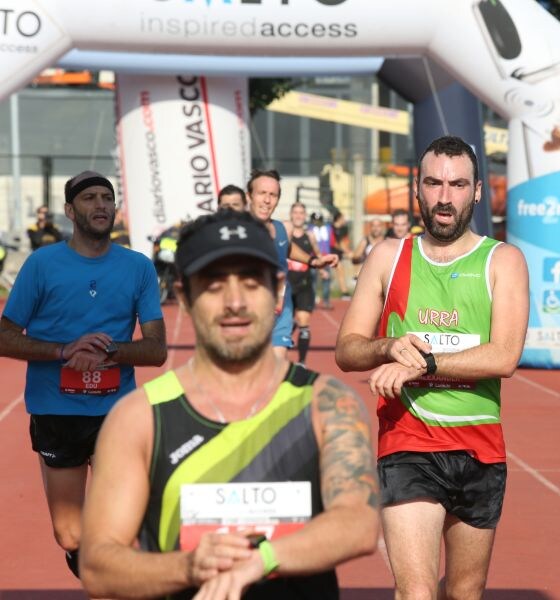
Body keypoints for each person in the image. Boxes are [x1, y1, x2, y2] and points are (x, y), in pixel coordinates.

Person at [79, 210, 379, 599]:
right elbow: (99, 565)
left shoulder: (325, 403)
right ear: (184, 296)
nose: (235, 302)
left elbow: (358, 523)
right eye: (215, 285)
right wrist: (189, 566)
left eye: (252, 283)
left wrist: (261, 560)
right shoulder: (140, 418)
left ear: (279, 290)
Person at [335, 135, 529, 599]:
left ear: (478, 190)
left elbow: (504, 356)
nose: (445, 197)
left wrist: (422, 363)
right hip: (407, 441)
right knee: (418, 591)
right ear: (417, 190)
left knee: (464, 591)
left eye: (458, 184)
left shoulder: (503, 260)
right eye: (434, 183)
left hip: (480, 444)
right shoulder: (388, 256)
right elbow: (347, 349)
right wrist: (388, 347)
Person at [0, 170, 167, 578]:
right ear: (70, 210)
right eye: (89, 198)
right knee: (71, 535)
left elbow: (157, 349)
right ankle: (99, 574)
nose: (101, 205)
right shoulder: (42, 265)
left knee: (129, 527)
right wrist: (64, 350)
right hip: (57, 413)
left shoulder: (138, 267)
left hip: (117, 414)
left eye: (106, 198)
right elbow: (4, 336)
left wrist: (108, 351)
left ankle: (120, 585)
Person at [245, 169, 337, 358]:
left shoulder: (282, 228)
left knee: (276, 373)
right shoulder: (238, 231)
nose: (267, 200)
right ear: (249, 196)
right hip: (248, 318)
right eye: (262, 193)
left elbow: (286, 248)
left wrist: (314, 261)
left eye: (273, 195)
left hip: (280, 313)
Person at [286, 202, 322, 366]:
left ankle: (301, 361)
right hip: (286, 285)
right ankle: (280, 356)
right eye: (296, 212)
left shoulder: (310, 236)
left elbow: (317, 254)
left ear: (305, 216)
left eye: (301, 213)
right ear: (291, 214)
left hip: (304, 285)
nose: (298, 216)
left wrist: (322, 266)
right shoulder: (286, 235)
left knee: (303, 321)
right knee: (285, 323)